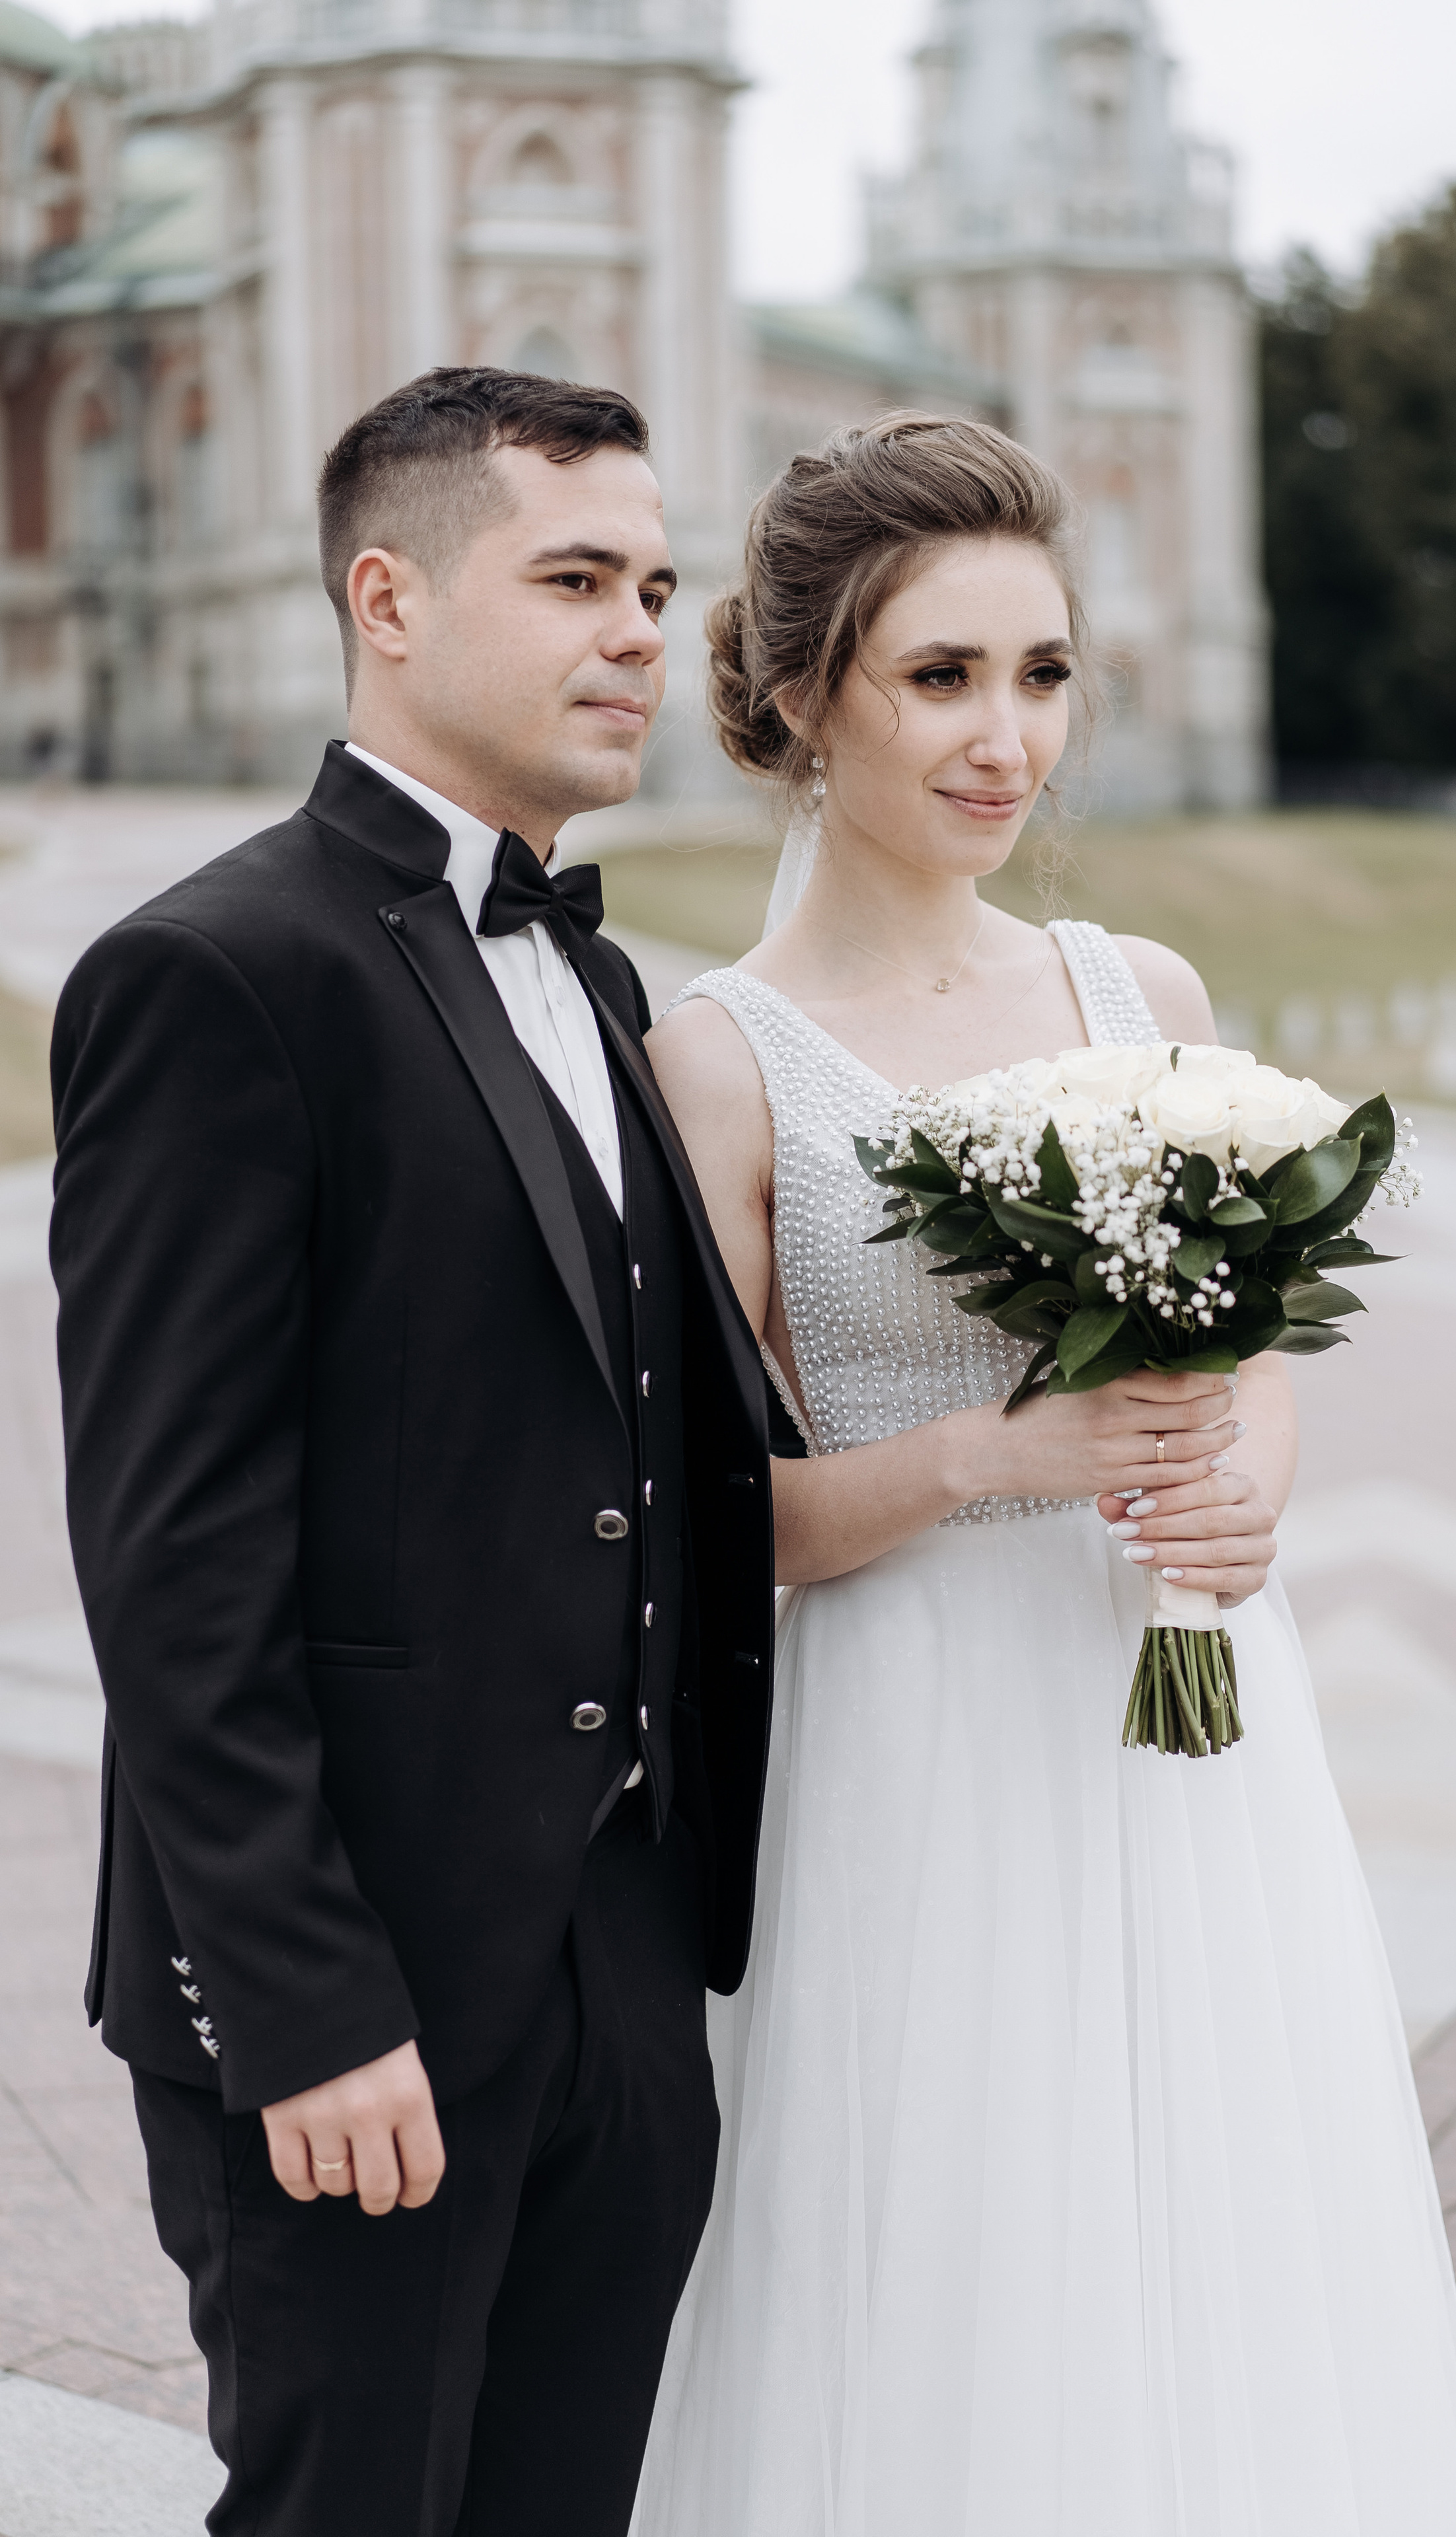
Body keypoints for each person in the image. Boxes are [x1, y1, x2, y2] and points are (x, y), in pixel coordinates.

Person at [632, 413, 1456, 2536]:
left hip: (1183, 1721)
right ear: (802, 691)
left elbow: (1247, 1355)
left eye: (1041, 673)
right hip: (903, 1748)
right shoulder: (720, 1061)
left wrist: (1247, 1479)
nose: (1007, 738)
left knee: (1215, 2215)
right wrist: (983, 1454)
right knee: (948, 2238)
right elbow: (729, 1528)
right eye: (942, 677)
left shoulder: (1148, 997)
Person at [49, 367, 774, 2537]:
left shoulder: (616, 988)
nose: (645, 629)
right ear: (386, 595)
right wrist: (301, 2004)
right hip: (351, 1991)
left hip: (618, 1974)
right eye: (575, 579)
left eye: (655, 582)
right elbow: (173, 1559)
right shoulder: (213, 972)